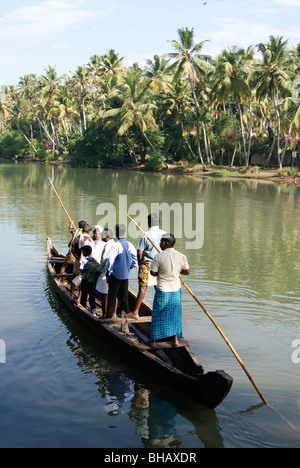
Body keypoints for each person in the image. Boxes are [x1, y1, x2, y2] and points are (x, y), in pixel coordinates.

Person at [149, 234, 190, 347]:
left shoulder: (158, 256)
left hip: (163, 289)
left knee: (158, 314)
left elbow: (152, 273)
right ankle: (175, 340)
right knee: (175, 314)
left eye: (161, 242)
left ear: (166, 244)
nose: (160, 244)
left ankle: (153, 341)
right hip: (176, 289)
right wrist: (176, 272)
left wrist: (161, 272)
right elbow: (187, 272)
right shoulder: (181, 256)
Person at [129, 213, 165, 319]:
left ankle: (135, 312)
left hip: (147, 264)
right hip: (160, 264)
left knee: (143, 287)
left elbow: (139, 253)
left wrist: (140, 263)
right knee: (158, 288)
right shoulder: (164, 234)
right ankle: (161, 312)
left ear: (149, 222)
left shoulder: (146, 234)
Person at [106, 224, 138, 319]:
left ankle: (110, 318)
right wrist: (128, 268)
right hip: (125, 276)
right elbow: (135, 262)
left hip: (116, 276)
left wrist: (108, 274)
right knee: (124, 299)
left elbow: (110, 261)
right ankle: (125, 322)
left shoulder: (117, 245)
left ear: (116, 233)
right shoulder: (130, 245)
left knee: (112, 297)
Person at [95, 228, 115, 317]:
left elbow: (104, 262)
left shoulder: (108, 246)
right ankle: (113, 314)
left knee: (104, 295)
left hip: (105, 274)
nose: (101, 236)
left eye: (102, 234)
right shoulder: (115, 244)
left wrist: (97, 270)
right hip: (113, 273)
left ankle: (105, 315)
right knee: (113, 295)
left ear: (107, 236)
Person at [70, 223, 92, 298]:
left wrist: (79, 259)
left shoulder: (77, 238)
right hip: (86, 263)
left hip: (78, 261)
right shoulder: (90, 240)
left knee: (75, 278)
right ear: (89, 232)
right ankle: (79, 297)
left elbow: (72, 250)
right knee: (83, 280)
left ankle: (71, 294)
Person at [80, 245, 98, 316]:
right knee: (92, 294)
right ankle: (93, 310)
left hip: (85, 279)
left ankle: (83, 307)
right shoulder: (93, 259)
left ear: (85, 252)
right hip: (92, 280)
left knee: (84, 293)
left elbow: (81, 270)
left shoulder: (84, 260)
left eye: (83, 251)